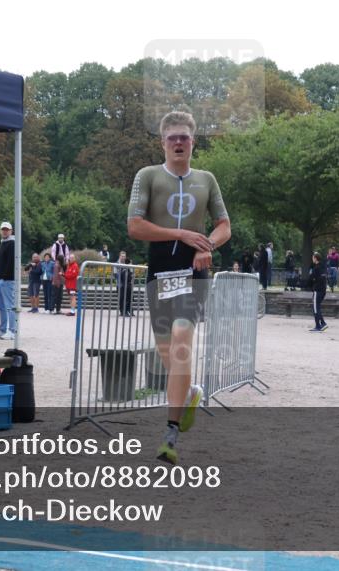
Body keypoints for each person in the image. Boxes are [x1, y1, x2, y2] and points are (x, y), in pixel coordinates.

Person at [127, 110, 231, 465]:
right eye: (172, 137)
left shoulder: (207, 179)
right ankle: (189, 396)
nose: (178, 143)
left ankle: (169, 436)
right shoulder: (148, 176)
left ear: (193, 142)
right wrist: (181, 234)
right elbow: (135, 227)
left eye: (184, 137)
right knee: (168, 357)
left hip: (193, 275)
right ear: (162, 142)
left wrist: (206, 246)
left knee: (183, 341)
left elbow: (223, 226)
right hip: (160, 274)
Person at [0, 221, 17, 340]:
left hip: (7, 280)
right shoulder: (3, 243)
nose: (5, 231)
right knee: (1, 306)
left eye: (7, 229)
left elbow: (11, 263)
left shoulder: (12, 243)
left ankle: (12, 331)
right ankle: (2, 329)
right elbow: (0, 263)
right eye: (3, 229)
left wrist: (3, 277)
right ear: (0, 231)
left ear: (11, 231)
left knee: (9, 306)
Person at [308, 252, 328, 332]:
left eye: (313, 258)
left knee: (315, 308)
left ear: (315, 258)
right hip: (323, 290)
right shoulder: (323, 267)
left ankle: (318, 326)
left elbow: (312, 278)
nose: (312, 259)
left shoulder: (316, 268)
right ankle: (322, 323)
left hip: (317, 290)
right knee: (318, 307)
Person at [116, 251, 133, 316]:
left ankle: (126, 310)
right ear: (119, 256)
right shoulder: (117, 263)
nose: (123, 257)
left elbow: (131, 272)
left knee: (128, 298)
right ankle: (122, 311)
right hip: (120, 284)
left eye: (124, 256)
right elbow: (115, 274)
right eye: (122, 256)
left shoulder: (128, 263)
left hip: (127, 284)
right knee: (121, 298)